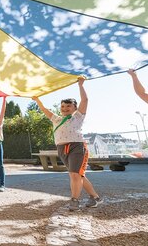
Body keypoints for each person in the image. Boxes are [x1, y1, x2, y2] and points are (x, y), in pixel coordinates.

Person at [33, 77, 102, 211]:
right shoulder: (56, 119)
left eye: (68, 106)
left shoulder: (78, 116)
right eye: (63, 106)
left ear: (74, 108)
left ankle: (74, 201)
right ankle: (96, 197)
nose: (65, 108)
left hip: (77, 146)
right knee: (78, 175)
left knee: (75, 175)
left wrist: (81, 85)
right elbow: (44, 109)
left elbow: (85, 100)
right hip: (61, 148)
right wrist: (37, 100)